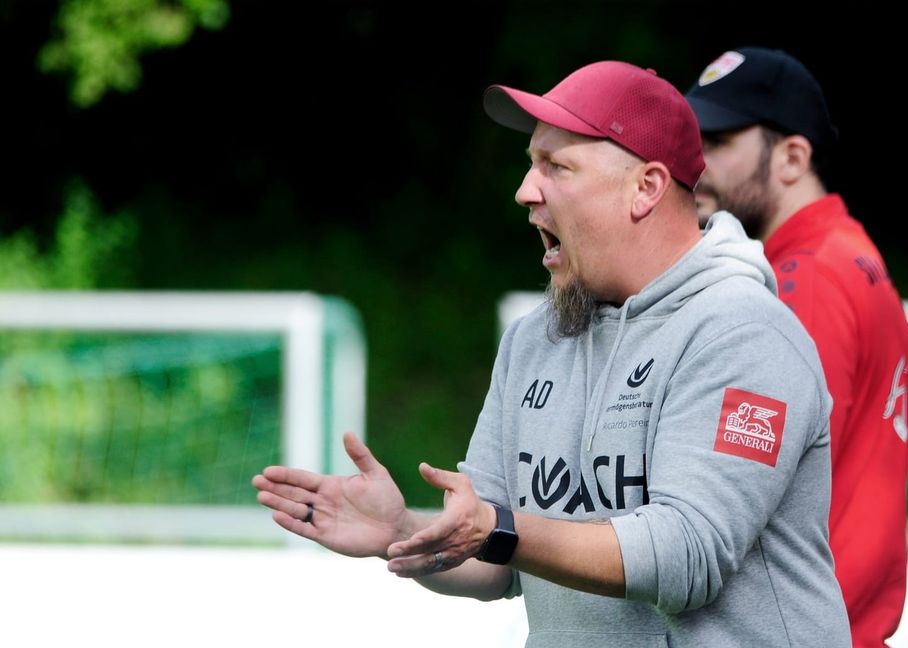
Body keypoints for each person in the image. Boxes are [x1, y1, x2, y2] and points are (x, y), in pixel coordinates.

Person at [252, 60, 851, 647]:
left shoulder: (744, 331)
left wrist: (499, 529)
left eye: (556, 166)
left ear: (645, 188)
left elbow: (686, 556)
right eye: (530, 164)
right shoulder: (535, 336)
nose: (524, 191)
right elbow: (498, 560)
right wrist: (404, 530)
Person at [685, 47, 908, 647]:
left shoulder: (800, 279)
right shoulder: (847, 251)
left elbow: (752, 482)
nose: (694, 163)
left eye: (717, 142)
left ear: (792, 157)